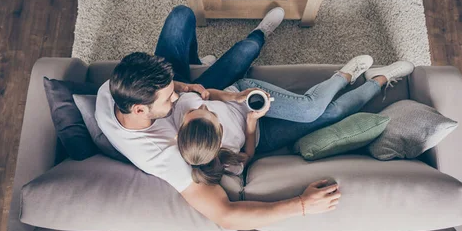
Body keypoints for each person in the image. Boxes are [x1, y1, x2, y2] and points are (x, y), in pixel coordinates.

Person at [96, 5, 340, 230]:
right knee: (245, 52)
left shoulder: (112, 90)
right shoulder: (163, 155)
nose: (175, 97)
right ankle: (259, 34)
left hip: (194, 101)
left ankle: (196, 63)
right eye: (169, 96)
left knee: (181, 15)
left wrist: (183, 87)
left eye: (172, 92)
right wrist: (302, 205)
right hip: (200, 110)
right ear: (140, 110)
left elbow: (175, 94)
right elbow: (225, 215)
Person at [175, 59, 415, 185]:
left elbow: (210, 94)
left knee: (309, 109)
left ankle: (344, 76)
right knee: (331, 114)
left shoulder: (186, 107)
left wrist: (234, 97)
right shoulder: (216, 161)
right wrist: (250, 125)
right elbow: (247, 156)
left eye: (200, 110)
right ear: (219, 135)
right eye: (211, 114)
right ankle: (379, 80)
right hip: (259, 132)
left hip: (243, 97)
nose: (204, 106)